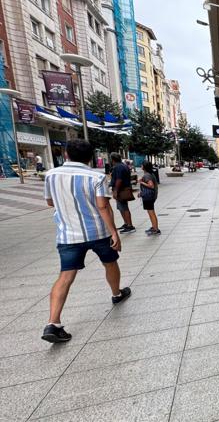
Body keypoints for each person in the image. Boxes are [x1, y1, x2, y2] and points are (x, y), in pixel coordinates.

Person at [42, 139, 131, 343]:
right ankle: (116, 293)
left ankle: (53, 323)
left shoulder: (51, 175)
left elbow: (50, 202)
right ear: (90, 157)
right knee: (110, 263)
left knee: (65, 276)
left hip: (68, 234)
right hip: (98, 233)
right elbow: (102, 207)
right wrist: (114, 233)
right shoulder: (96, 176)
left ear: (66, 154)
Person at [109, 153, 135, 233]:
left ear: (112, 159)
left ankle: (130, 225)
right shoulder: (123, 165)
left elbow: (119, 180)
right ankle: (126, 223)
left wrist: (116, 191)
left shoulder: (118, 167)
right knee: (121, 207)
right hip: (123, 189)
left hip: (121, 190)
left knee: (124, 208)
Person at [139, 161, 160, 235]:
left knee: (151, 212)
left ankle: (155, 229)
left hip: (149, 197)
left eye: (142, 165)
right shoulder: (150, 174)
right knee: (150, 212)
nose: (141, 166)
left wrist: (141, 182)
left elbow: (151, 186)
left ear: (144, 167)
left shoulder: (147, 175)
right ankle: (154, 227)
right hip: (150, 196)